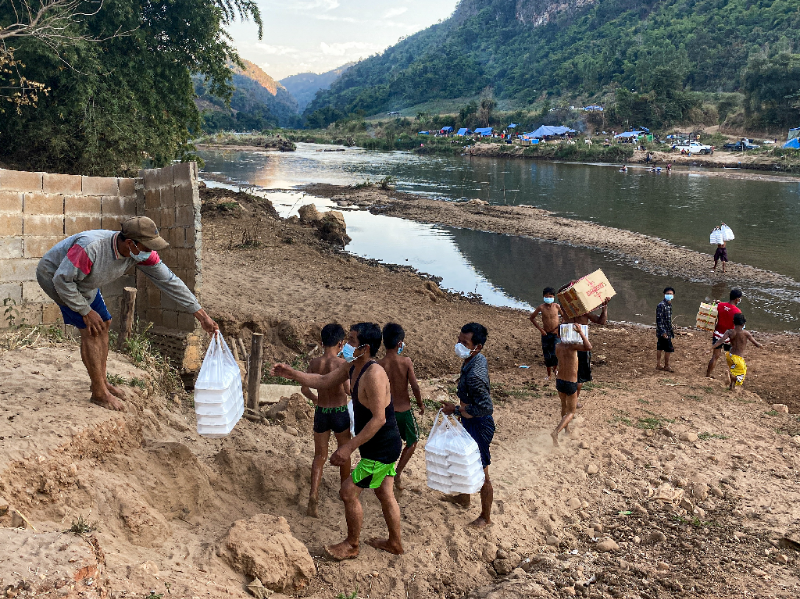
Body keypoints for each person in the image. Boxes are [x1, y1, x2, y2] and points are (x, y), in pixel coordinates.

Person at [36, 217, 218, 411]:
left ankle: (101, 382)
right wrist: (85, 311)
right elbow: (62, 280)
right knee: (91, 330)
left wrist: (202, 316)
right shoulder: (90, 248)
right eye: (147, 247)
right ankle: (99, 394)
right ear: (130, 243)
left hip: (85, 281)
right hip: (58, 279)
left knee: (104, 323)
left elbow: (169, 282)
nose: (150, 251)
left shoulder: (139, 253)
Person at [271, 323, 403, 560]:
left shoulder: (373, 374)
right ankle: (395, 542)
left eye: (352, 341)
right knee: (385, 493)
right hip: (383, 445)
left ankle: (352, 545)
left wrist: (348, 447)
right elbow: (323, 381)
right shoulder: (353, 367)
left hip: (381, 448)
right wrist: (293, 374)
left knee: (348, 492)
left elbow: (379, 419)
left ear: (365, 347)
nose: (347, 345)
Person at [442, 323, 494, 529]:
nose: (459, 345)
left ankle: (486, 517)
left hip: (478, 424)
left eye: (464, 343)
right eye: (459, 339)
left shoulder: (475, 376)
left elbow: (485, 407)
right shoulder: (476, 359)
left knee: (482, 472)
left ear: (477, 346)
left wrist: (456, 409)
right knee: (464, 461)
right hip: (469, 420)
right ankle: (464, 498)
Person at [301, 323, 351, 518]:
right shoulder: (341, 364)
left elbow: (304, 389)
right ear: (341, 344)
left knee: (319, 456)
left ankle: (313, 496)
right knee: (344, 451)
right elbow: (347, 390)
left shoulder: (314, 363)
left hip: (322, 411)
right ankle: (344, 491)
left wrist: (316, 400)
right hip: (339, 411)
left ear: (321, 343)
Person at [378, 323, 424, 489]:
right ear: (400, 343)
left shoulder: (379, 364)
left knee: (387, 443)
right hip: (404, 411)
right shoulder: (405, 362)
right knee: (412, 442)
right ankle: (397, 474)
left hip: (386, 411)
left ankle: (383, 474)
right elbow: (415, 386)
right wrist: (420, 404)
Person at [561, 291, 609, 401]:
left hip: (567, 345)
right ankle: (574, 400)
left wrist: (604, 307)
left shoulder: (566, 309)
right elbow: (602, 321)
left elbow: (560, 292)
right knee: (580, 376)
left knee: (569, 372)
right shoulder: (582, 312)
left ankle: (569, 398)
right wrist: (604, 308)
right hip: (580, 346)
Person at [552, 324, 592, 446]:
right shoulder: (572, 346)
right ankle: (556, 432)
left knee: (563, 406)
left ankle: (566, 429)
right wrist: (580, 332)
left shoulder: (558, 346)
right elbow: (588, 346)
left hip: (559, 381)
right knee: (571, 412)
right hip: (570, 382)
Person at [713, 313, 763, 391]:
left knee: (735, 371)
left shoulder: (729, 332)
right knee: (741, 376)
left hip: (729, 356)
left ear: (733, 322)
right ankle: (730, 376)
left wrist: (710, 348)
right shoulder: (746, 333)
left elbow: (720, 341)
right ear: (743, 324)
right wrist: (760, 346)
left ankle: (731, 387)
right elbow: (756, 343)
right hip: (738, 358)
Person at [706, 288, 743, 380]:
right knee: (731, 358)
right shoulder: (737, 311)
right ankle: (731, 377)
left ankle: (708, 375)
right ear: (737, 299)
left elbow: (721, 308)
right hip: (729, 337)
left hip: (718, 334)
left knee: (715, 356)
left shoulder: (720, 305)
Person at [529, 287, 563, 381]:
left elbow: (564, 317)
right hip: (545, 334)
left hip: (555, 333)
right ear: (543, 297)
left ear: (554, 297)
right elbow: (532, 318)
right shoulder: (541, 307)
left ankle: (555, 369)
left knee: (555, 352)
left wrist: (559, 328)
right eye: (546, 296)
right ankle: (549, 375)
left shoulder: (557, 306)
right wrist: (541, 330)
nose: (548, 298)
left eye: (550, 296)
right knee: (547, 354)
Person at [656, 287, 676, 372]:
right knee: (668, 349)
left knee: (660, 347)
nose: (669, 295)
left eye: (671, 294)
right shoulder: (661, 305)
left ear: (673, 295)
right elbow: (659, 320)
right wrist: (663, 332)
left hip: (667, 329)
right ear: (664, 294)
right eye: (668, 294)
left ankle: (658, 364)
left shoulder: (669, 305)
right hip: (664, 331)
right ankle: (666, 365)